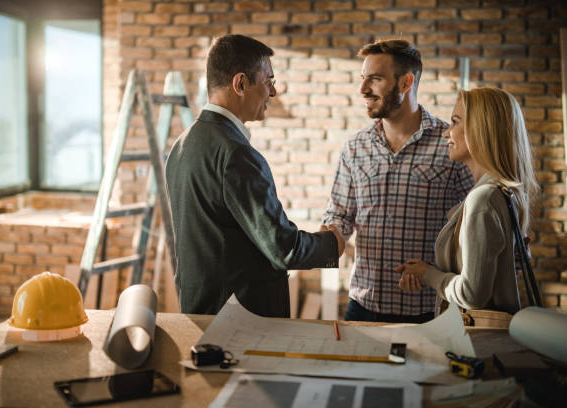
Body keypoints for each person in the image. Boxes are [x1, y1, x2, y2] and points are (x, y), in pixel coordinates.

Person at [166, 34, 344, 318]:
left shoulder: (182, 145)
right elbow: (283, 248)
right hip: (242, 322)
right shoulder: (236, 154)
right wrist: (332, 243)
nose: (272, 92)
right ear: (240, 83)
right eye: (268, 81)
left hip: (201, 311)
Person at [322, 40, 474, 323]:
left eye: (375, 79)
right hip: (363, 304)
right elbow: (340, 215)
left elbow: (472, 227)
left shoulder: (450, 144)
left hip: (428, 311)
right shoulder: (355, 148)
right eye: (362, 78)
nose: (363, 89)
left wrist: (436, 273)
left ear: (406, 83)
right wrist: (327, 236)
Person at [397, 87, 538, 315]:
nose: (446, 133)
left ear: (480, 130)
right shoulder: (501, 192)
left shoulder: (482, 200)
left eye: (455, 122)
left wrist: (428, 275)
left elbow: (472, 295)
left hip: (476, 344)